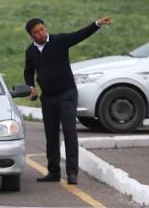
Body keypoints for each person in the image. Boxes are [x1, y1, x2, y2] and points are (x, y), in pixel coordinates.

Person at [24, 16, 112, 185]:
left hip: (66, 94)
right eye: (36, 32)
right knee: (51, 136)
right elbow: (28, 71)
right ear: (31, 35)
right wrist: (30, 86)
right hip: (48, 98)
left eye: (42, 29)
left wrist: (96, 25)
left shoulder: (60, 41)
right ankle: (53, 172)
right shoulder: (31, 51)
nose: (41, 33)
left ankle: (72, 173)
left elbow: (79, 35)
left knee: (69, 132)